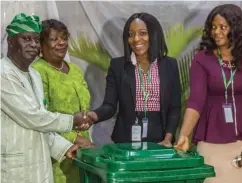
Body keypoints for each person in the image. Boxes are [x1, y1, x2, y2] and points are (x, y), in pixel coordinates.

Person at [1, 13, 93, 183]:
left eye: (36, 40)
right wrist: (72, 121)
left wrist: (65, 147)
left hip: (39, 162)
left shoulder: (33, 75)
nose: (33, 45)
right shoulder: (3, 74)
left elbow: (41, 124)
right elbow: (32, 116)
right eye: (26, 39)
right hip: (15, 166)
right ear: (10, 41)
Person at [174, 4, 242, 183]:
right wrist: (184, 134)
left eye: (223, 27)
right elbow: (196, 101)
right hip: (212, 142)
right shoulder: (202, 59)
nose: (217, 32)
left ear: (236, 28)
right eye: (213, 27)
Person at [86, 12, 181, 146]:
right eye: (131, 34)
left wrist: (168, 138)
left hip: (160, 140)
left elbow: (174, 107)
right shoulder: (118, 66)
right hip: (126, 141)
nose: (136, 39)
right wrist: (94, 115)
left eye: (142, 33)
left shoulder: (169, 65)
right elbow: (109, 106)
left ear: (154, 35)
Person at [31, 19, 94, 183]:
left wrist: (89, 118)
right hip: (56, 152)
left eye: (64, 38)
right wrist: (73, 137)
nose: (61, 43)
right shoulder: (37, 72)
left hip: (83, 149)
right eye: (54, 39)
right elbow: (40, 118)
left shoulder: (75, 70)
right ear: (41, 46)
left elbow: (84, 105)